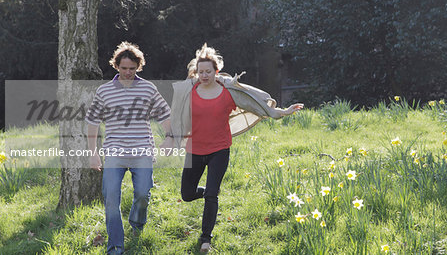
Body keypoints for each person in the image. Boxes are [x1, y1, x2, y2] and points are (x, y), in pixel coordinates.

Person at [168, 43, 303, 253]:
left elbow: (259, 106)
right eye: (200, 71)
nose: (204, 75)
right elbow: (175, 115)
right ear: (196, 73)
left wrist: (283, 112)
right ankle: (209, 191)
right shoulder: (190, 90)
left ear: (216, 72)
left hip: (219, 150)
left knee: (212, 195)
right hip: (194, 150)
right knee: (187, 194)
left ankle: (206, 238)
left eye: (208, 71)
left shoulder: (230, 92)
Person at [86, 42, 173, 255]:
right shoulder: (104, 91)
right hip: (114, 152)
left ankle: (137, 222)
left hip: (142, 150)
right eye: (123, 68)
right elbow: (92, 122)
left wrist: (170, 138)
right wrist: (92, 153)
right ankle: (115, 247)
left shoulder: (148, 88)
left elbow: (165, 116)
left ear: (138, 67)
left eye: (132, 69)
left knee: (143, 193)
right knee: (111, 199)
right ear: (116, 66)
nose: (127, 73)